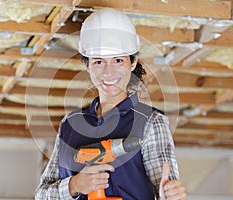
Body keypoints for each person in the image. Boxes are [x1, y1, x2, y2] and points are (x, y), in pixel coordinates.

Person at [35, 8, 187, 200]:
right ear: (86, 65)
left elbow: (165, 188)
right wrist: (74, 185)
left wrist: (170, 195)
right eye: (99, 62)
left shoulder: (150, 122)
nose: (108, 73)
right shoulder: (70, 124)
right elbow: (42, 195)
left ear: (133, 63)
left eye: (117, 60)